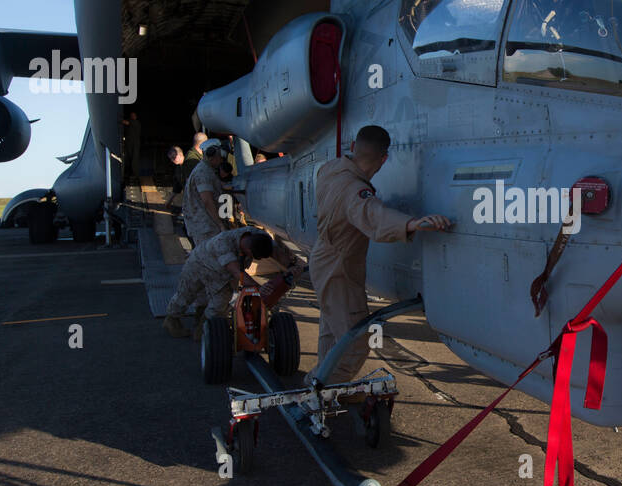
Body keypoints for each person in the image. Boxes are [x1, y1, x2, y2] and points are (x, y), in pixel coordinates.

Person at [309, 125, 450, 384]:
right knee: (353, 340)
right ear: (384, 159)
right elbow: (371, 214)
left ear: (353, 147)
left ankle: (319, 382)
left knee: (332, 331)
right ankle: (322, 390)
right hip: (339, 268)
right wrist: (413, 223)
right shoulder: (355, 190)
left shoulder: (330, 170)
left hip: (323, 258)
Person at [162, 227, 304, 338]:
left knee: (219, 305)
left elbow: (276, 252)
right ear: (248, 250)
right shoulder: (223, 244)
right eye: (255, 257)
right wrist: (260, 288)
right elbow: (237, 272)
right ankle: (172, 320)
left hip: (221, 274)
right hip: (199, 264)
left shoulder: (259, 236)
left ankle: (206, 330)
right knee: (186, 293)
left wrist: (291, 267)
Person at [180, 139, 227, 246]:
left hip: (206, 224)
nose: (222, 160)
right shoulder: (203, 172)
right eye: (220, 156)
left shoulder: (206, 170)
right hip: (206, 226)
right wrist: (220, 224)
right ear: (213, 154)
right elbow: (207, 201)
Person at [121, 111, 141, 184]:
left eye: (133, 115)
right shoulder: (131, 123)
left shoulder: (136, 123)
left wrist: (119, 120)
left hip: (135, 144)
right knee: (128, 158)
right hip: (129, 144)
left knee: (134, 159)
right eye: (131, 115)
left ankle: (134, 175)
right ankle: (129, 174)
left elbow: (126, 122)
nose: (132, 117)